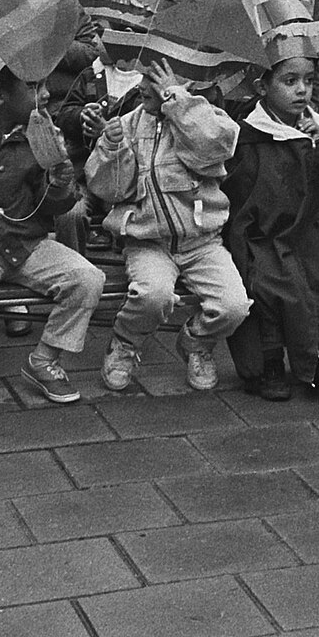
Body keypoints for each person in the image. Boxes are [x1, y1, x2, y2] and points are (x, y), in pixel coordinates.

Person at [0, 62, 103, 418]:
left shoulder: (44, 135)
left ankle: (45, 360)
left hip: (29, 245)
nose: (44, 95)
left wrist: (59, 183)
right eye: (33, 87)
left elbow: (54, 206)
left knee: (89, 279)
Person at [88, 62, 250, 394]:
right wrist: (112, 148)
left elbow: (214, 146)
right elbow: (109, 190)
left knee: (234, 306)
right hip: (148, 243)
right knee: (153, 296)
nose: (146, 86)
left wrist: (176, 100)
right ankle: (125, 343)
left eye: (157, 78)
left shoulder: (209, 117)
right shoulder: (130, 124)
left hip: (202, 243)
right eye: (144, 77)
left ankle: (196, 343)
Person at [223, 14, 319, 399]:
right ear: (262, 86)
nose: (302, 91)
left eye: (309, 81)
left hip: (315, 229)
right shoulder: (248, 134)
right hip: (264, 233)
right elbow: (245, 195)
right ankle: (268, 366)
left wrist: (318, 147)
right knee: (267, 278)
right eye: (289, 81)